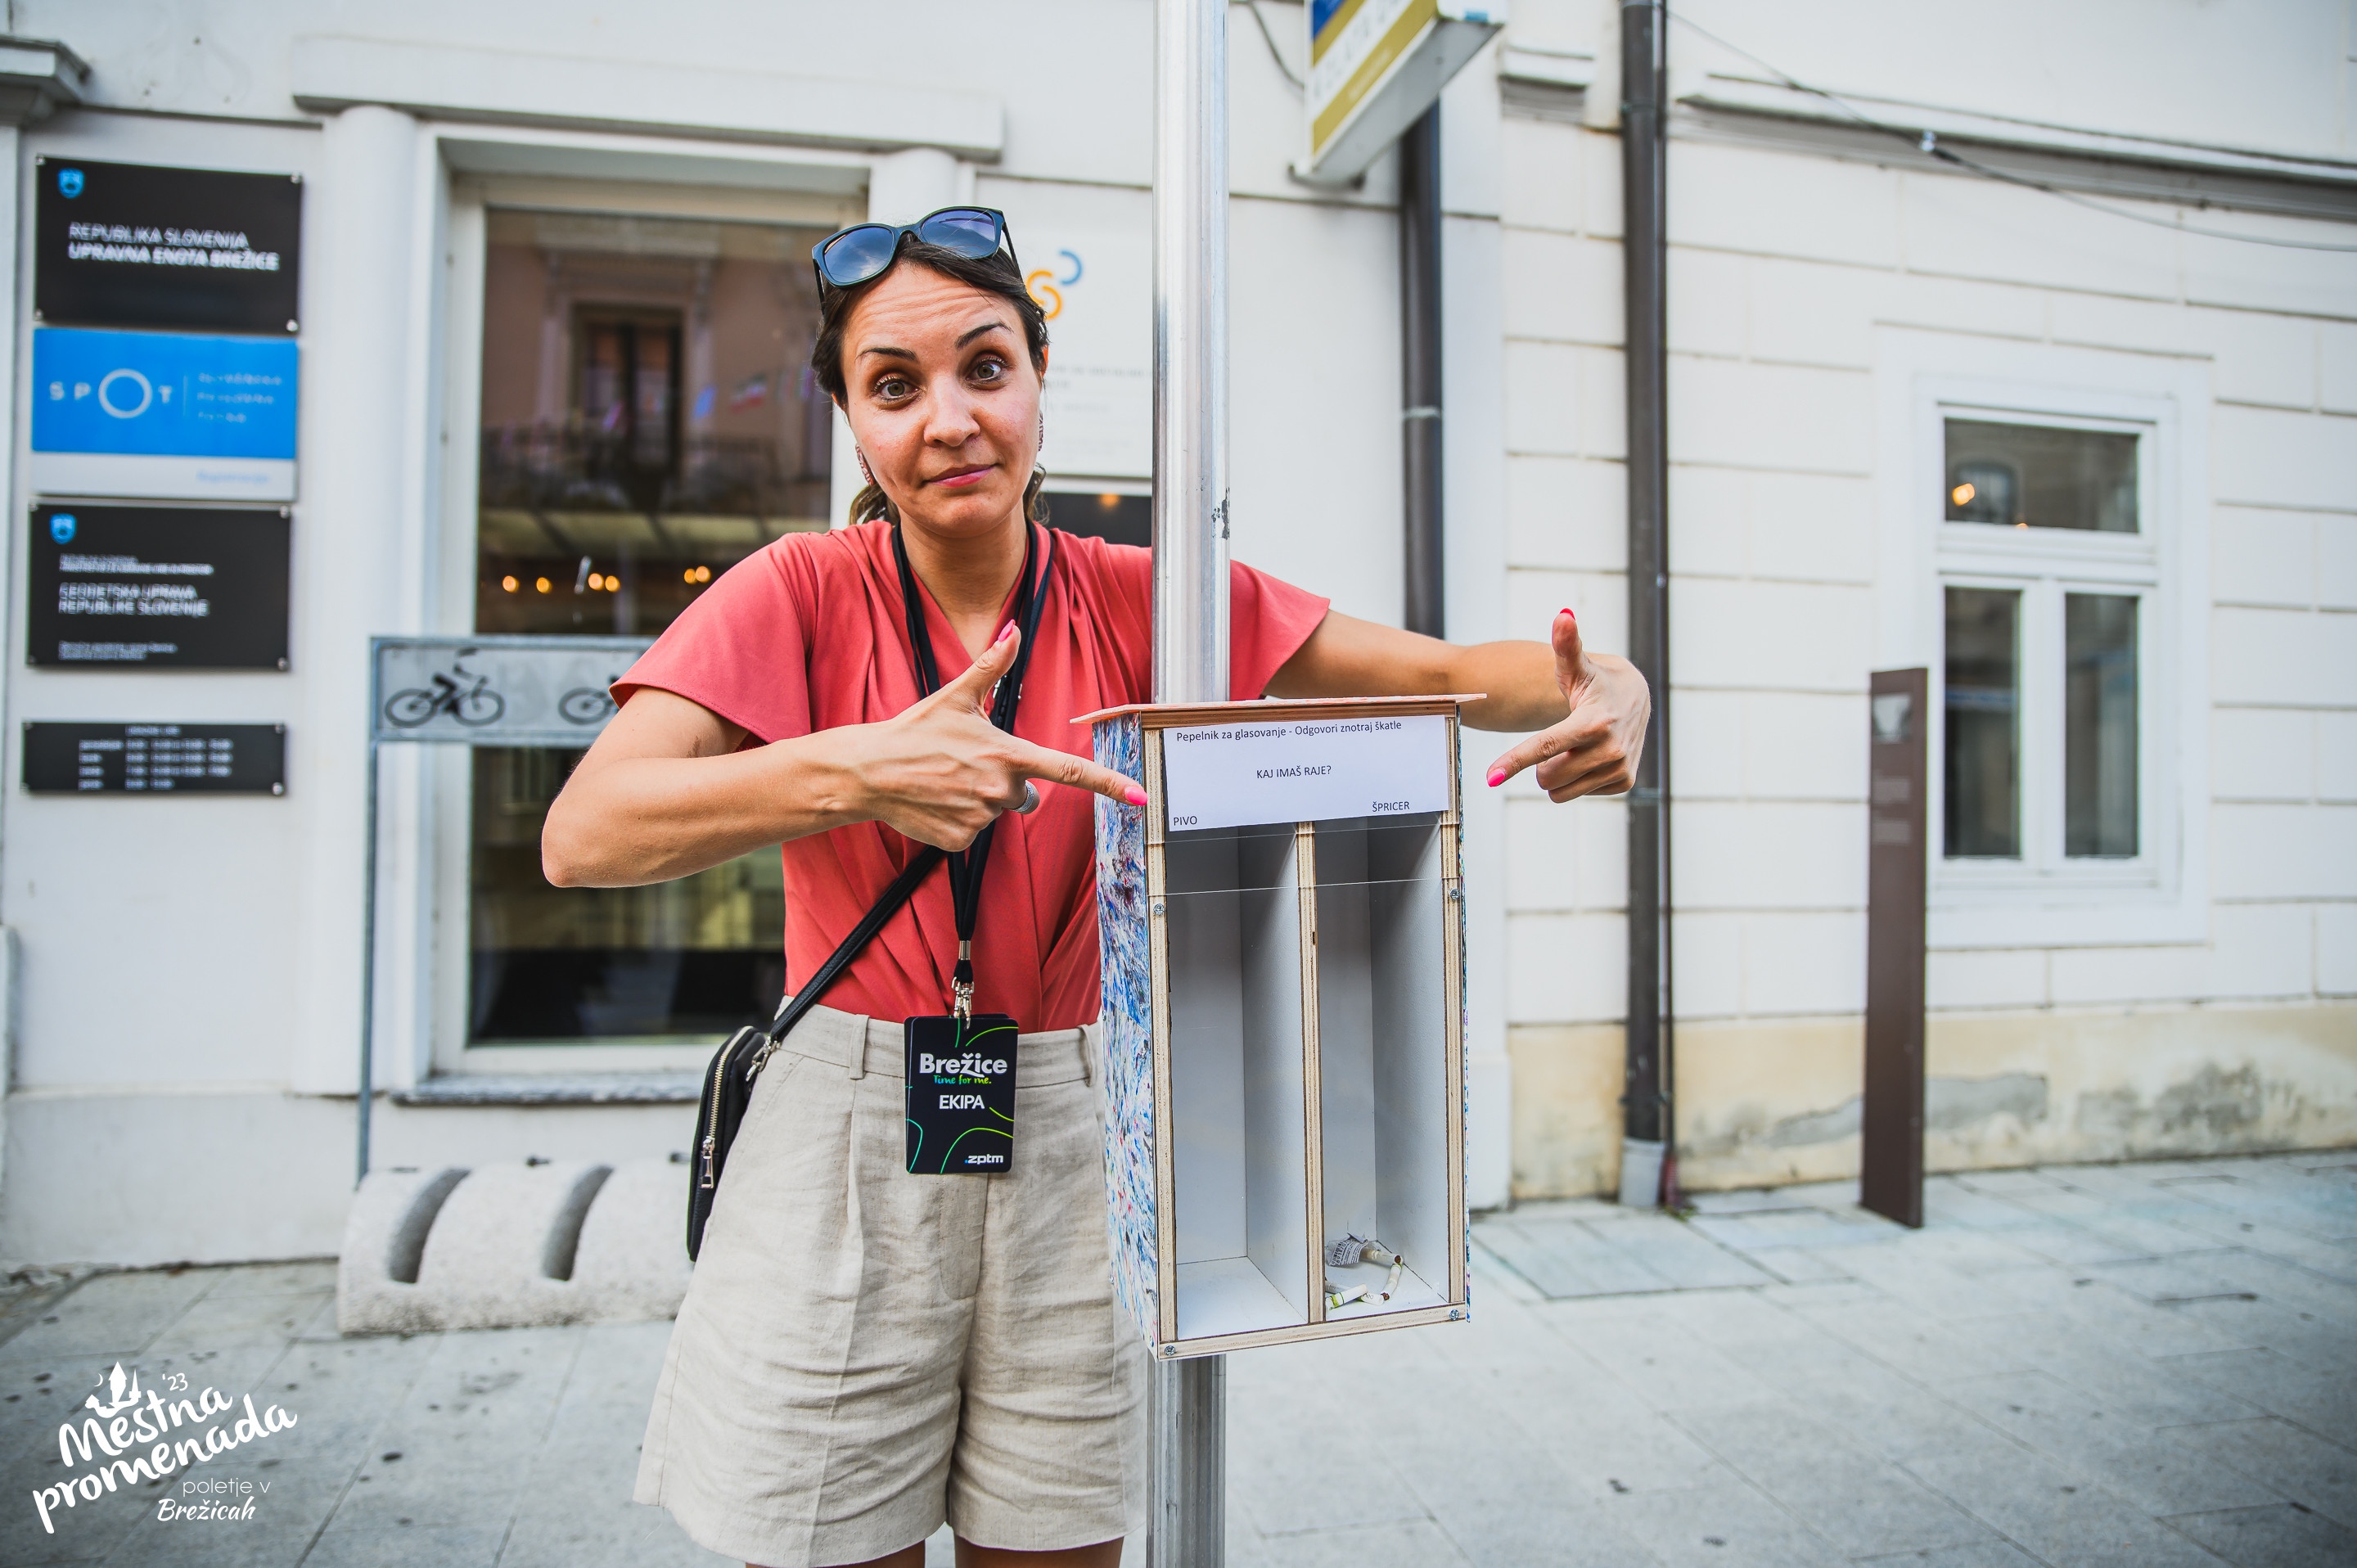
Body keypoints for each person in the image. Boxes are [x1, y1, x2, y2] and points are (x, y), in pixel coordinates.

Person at [541, 206, 1649, 1568]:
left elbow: (1445, 677)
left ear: (1040, 381)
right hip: (846, 1128)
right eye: (895, 385)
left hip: (1085, 1116)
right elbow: (585, 835)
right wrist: (859, 770)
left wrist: (1616, 686)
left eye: (984, 368)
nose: (949, 418)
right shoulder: (795, 593)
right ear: (853, 419)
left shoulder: (1154, 596)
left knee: (1060, 1548)